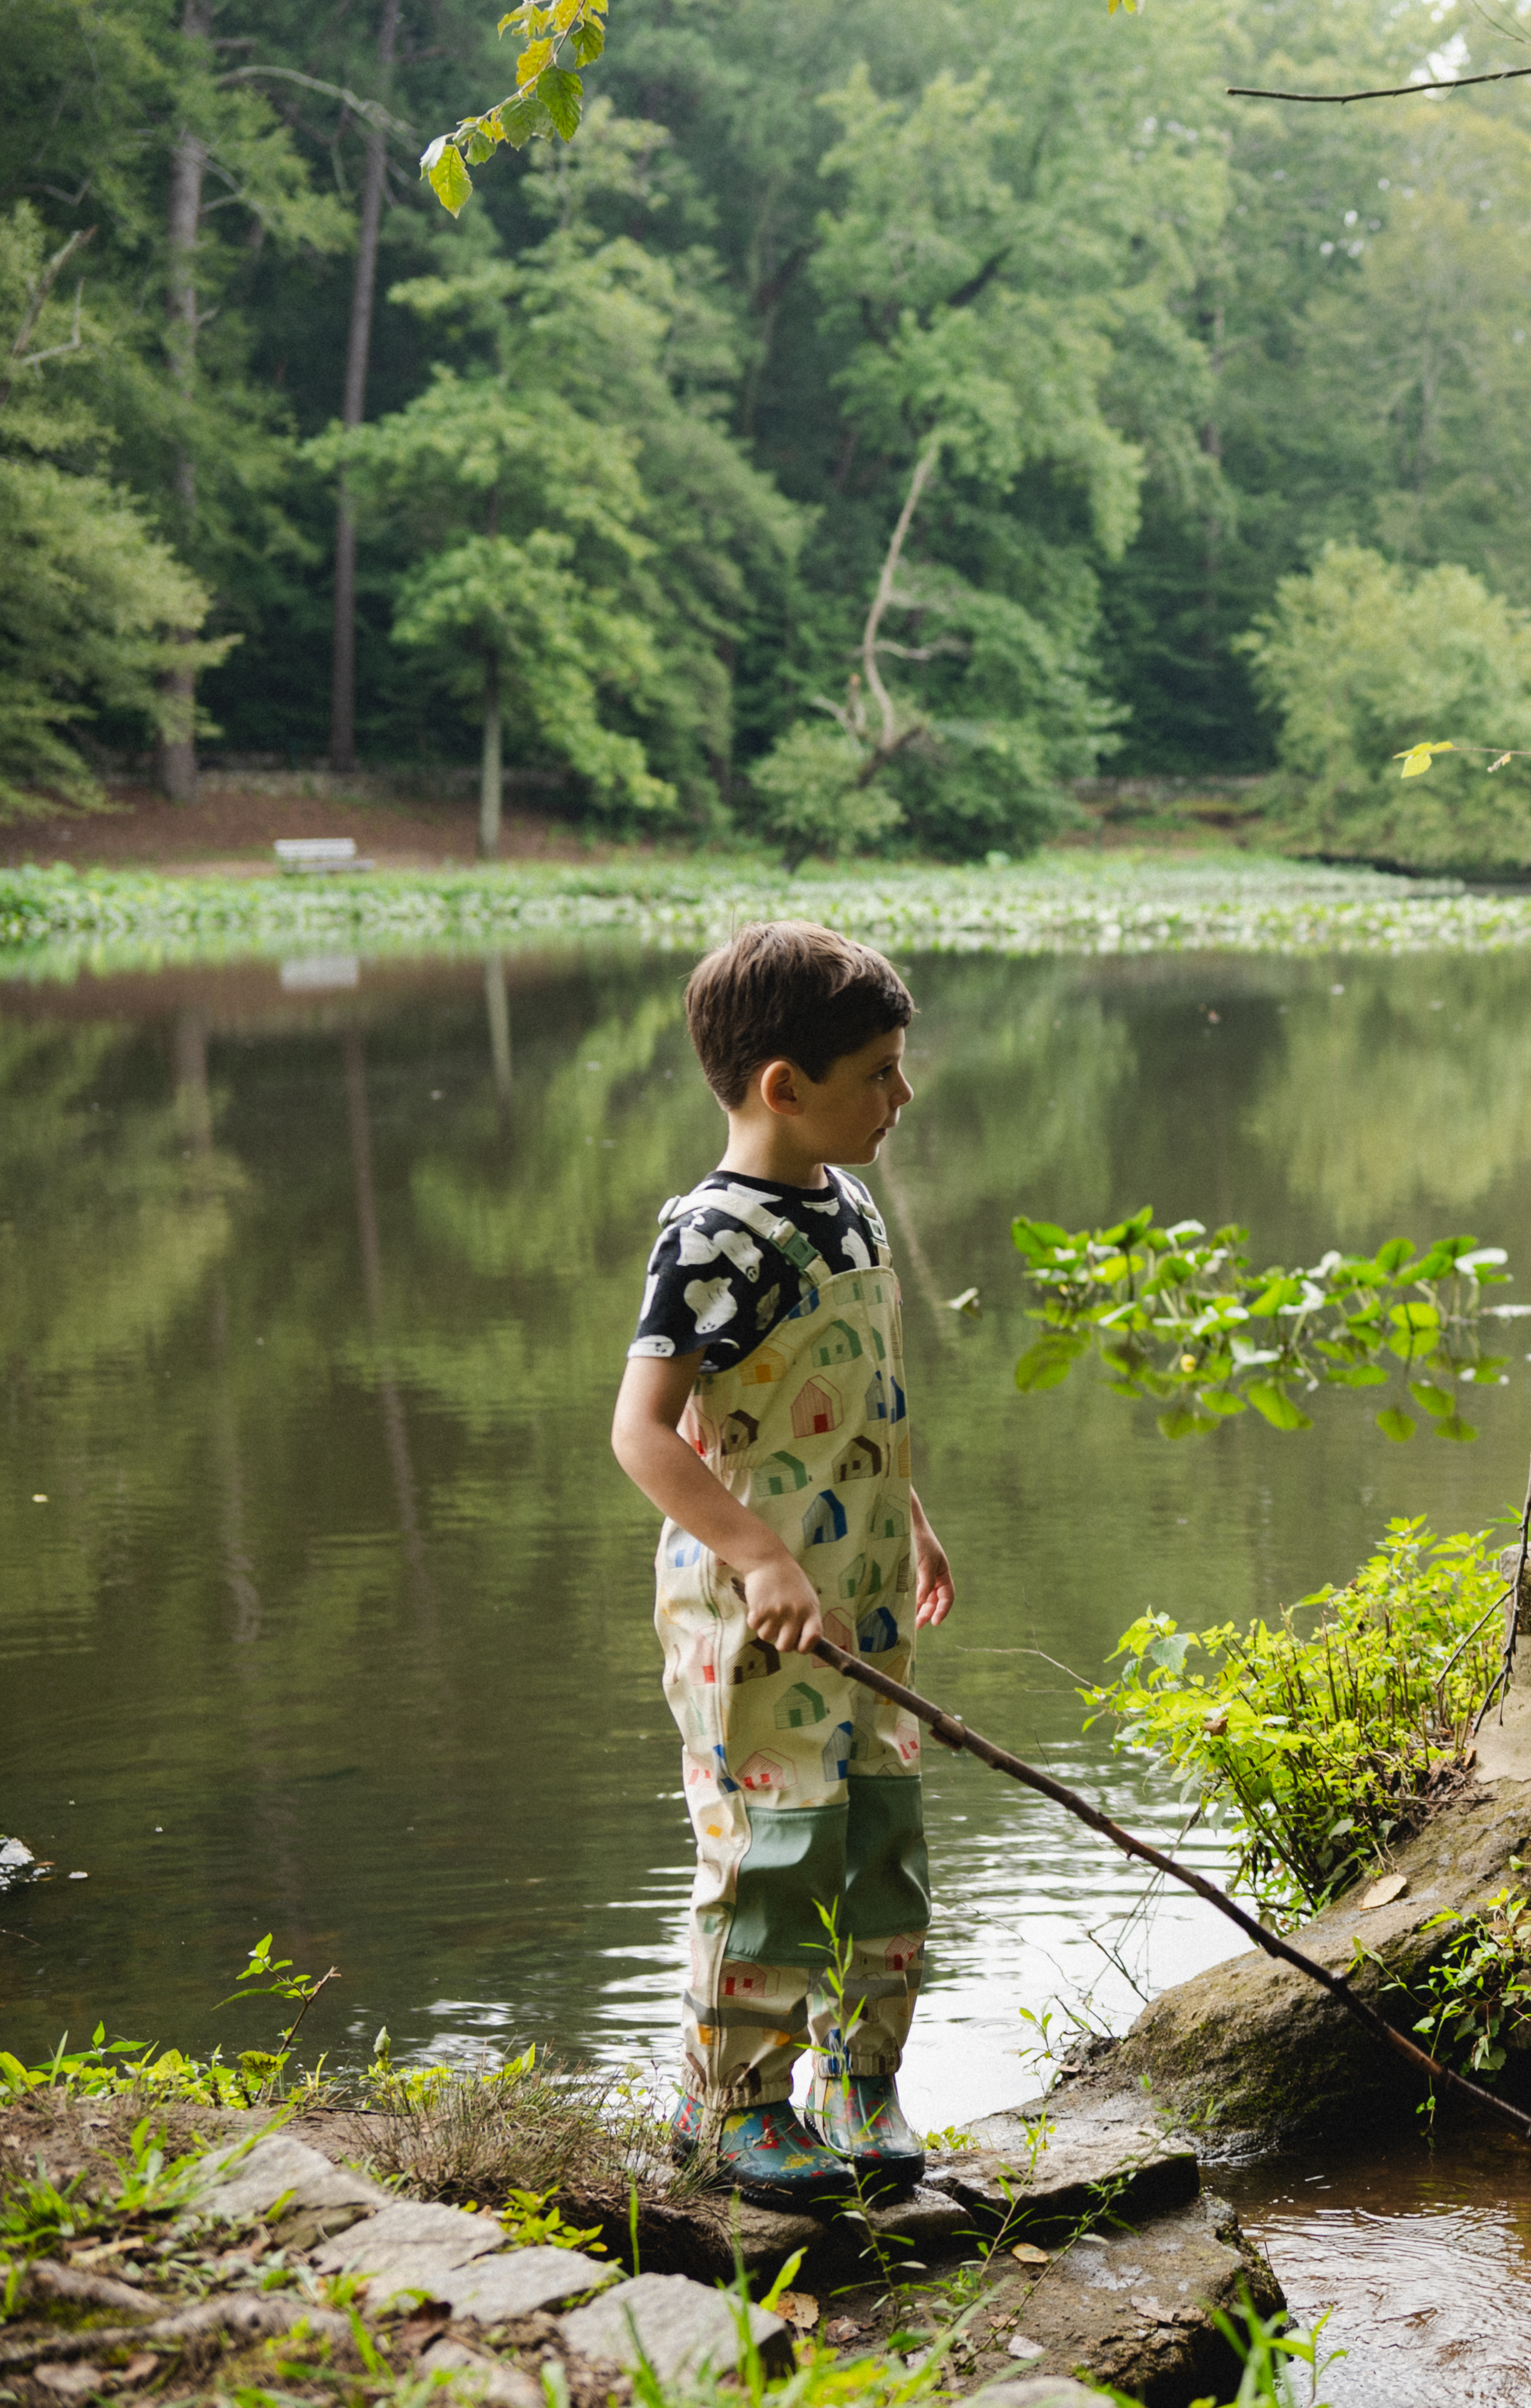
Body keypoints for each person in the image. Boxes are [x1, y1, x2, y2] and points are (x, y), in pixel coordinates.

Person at [609, 922, 957, 2209]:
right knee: (768, 1847)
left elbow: (860, 1396)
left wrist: (909, 1516)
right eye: (879, 1072)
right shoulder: (713, 1237)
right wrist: (757, 1555)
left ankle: (859, 2077)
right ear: (783, 1086)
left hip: (860, 1599)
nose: (901, 1096)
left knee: (880, 1839)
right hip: (753, 1614)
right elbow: (642, 1432)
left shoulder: (849, 1201)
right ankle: (732, 2107)